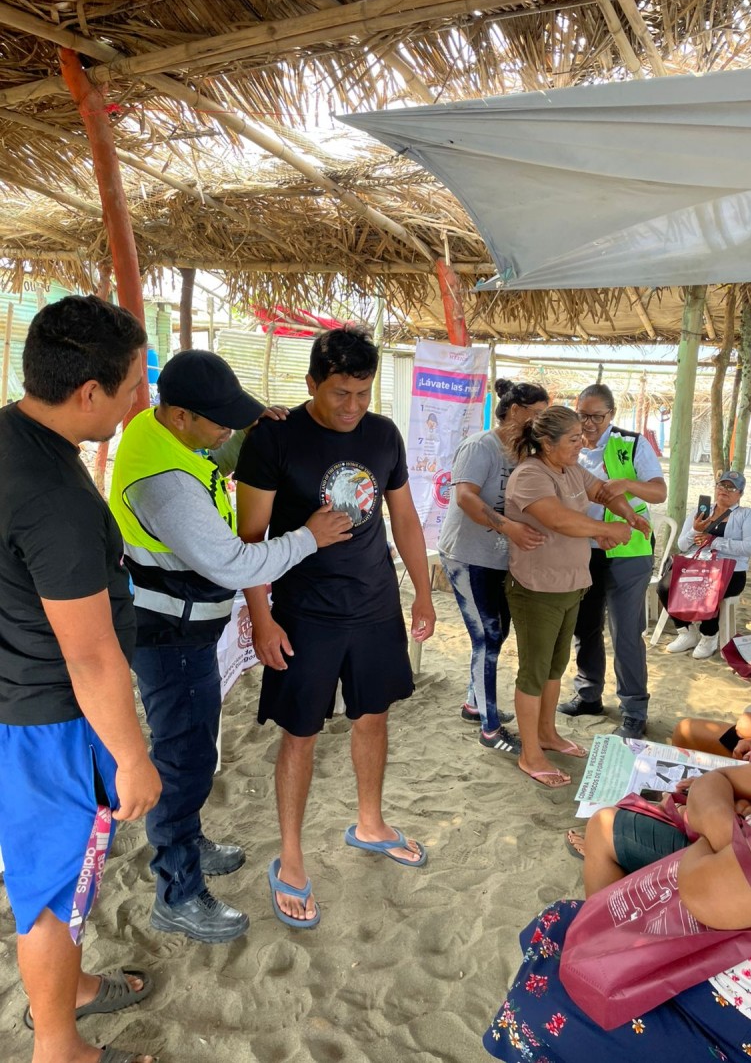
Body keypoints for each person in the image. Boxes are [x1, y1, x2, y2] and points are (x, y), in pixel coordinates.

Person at [109, 350, 352, 944]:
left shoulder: (159, 431)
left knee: (192, 745)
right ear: (181, 415)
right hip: (171, 635)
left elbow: (215, 455)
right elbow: (236, 562)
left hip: (188, 626)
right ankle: (177, 891)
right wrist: (309, 537)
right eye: (221, 421)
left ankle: (187, 841)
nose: (229, 431)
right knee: (184, 758)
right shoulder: (164, 484)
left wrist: (247, 426)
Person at [0, 295, 162, 1063]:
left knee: (64, 872)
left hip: (21, 697)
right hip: (49, 721)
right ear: (89, 392)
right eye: (131, 387)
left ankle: (73, 988)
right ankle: (58, 1045)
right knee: (54, 890)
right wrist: (131, 756)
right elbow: (90, 656)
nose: (138, 402)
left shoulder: (13, 434)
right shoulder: (54, 499)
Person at [235, 325, 435, 929]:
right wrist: (262, 617)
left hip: (374, 605)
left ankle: (369, 823)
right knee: (300, 732)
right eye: (340, 393)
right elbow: (250, 539)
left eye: (363, 393)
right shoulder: (274, 437)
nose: (353, 407)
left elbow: (404, 518)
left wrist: (423, 593)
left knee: (373, 716)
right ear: (311, 384)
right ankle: (292, 858)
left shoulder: (383, 434)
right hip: (304, 612)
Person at [486, 751, 751, 1063]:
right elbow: (715, 780)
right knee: (563, 926)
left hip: (743, 1022)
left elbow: (706, 890)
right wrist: (737, 839)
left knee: (538, 1004)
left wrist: (719, 826)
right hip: (707, 953)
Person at [502, 407, 649, 788]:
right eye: (572, 439)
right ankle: (529, 753)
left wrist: (628, 516)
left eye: (580, 437)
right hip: (537, 588)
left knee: (556, 666)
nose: (581, 444)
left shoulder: (571, 470)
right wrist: (605, 529)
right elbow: (558, 519)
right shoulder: (531, 475)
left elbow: (602, 491)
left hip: (570, 584)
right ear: (547, 443)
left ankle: (547, 733)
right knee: (534, 672)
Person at [437, 379, 548, 756]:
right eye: (538, 414)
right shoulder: (480, 446)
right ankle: (489, 728)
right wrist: (509, 527)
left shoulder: (526, 452)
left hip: (499, 558)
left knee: (496, 634)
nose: (541, 422)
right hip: (467, 556)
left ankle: (474, 704)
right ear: (515, 411)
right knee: (487, 636)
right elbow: (465, 498)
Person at [558, 384, 666, 740]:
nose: (588, 423)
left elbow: (659, 491)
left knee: (625, 633)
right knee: (584, 626)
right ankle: (588, 694)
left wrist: (626, 484)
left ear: (612, 414)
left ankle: (634, 710)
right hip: (582, 548)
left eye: (597, 416)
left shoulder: (631, 443)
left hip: (628, 550)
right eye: (582, 415)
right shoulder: (567, 445)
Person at [657, 469, 751, 659]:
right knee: (664, 587)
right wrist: (694, 530)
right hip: (697, 565)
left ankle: (709, 636)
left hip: (731, 570)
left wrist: (714, 541)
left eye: (731, 488)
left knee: (710, 588)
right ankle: (686, 632)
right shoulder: (700, 511)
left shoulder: (747, 515)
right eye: (722, 485)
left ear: (740, 494)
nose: (725, 490)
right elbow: (682, 545)